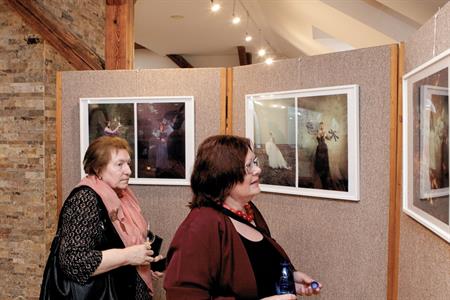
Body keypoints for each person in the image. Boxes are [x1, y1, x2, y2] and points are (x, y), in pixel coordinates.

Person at [164, 135, 321, 299]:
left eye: (255, 162)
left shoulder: (249, 210)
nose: (258, 170)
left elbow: (254, 268)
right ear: (224, 175)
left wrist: (288, 280)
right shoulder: (200, 225)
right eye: (248, 166)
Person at [46, 136, 163, 299]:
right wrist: (128, 256)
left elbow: (120, 241)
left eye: (128, 164)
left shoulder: (123, 195)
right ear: (98, 169)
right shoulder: (85, 199)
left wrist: (145, 258)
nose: (128, 171)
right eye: (119, 164)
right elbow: (73, 261)